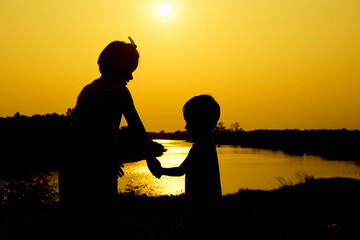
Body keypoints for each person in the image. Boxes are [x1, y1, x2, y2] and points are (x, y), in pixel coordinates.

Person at [59, 38, 162, 239]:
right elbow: (136, 126)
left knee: (76, 222)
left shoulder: (88, 89)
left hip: (74, 163)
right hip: (94, 166)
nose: (131, 77)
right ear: (119, 67)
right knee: (101, 221)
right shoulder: (119, 91)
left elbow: (82, 132)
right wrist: (150, 158)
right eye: (129, 70)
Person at [160, 95, 222, 237]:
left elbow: (181, 171)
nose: (186, 126)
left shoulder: (201, 148)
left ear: (201, 122)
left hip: (200, 211)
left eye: (189, 121)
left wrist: (160, 170)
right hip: (205, 209)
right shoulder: (207, 145)